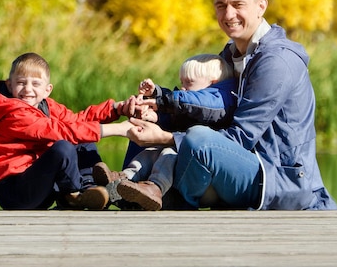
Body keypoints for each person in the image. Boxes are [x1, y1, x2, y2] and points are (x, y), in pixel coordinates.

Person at [125, 0, 337, 210]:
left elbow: (242, 136)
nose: (228, 15)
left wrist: (166, 138)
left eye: (238, 5)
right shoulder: (232, 54)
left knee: (198, 140)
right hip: (243, 166)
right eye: (221, 5)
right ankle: (123, 189)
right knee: (148, 119)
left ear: (261, 6)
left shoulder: (276, 61)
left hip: (280, 178)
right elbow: (211, 108)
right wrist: (159, 106)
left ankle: (166, 198)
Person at [0, 52, 133, 210]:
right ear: (10, 85)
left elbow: (78, 121)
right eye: (21, 82)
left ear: (47, 90)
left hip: (40, 187)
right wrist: (119, 129)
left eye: (36, 84)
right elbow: (59, 130)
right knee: (64, 147)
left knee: (84, 137)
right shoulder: (12, 114)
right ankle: (75, 193)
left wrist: (117, 109)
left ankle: (89, 189)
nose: (27, 89)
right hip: (16, 192)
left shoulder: (46, 106)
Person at [93, 54, 237, 210]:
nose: (182, 88)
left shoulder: (216, 111)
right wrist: (156, 113)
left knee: (168, 153)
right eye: (181, 82)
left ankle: (155, 187)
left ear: (212, 84)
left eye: (189, 83)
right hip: (175, 155)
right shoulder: (189, 106)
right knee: (149, 153)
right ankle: (122, 179)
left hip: (193, 169)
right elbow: (177, 117)